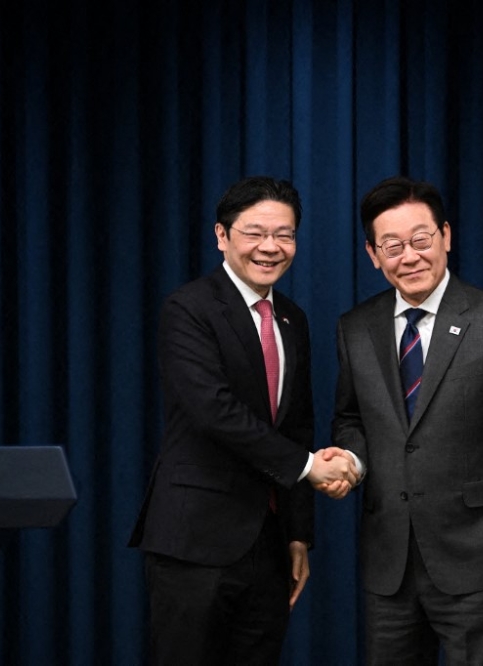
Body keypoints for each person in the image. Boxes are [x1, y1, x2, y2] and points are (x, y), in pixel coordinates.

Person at [129, 176, 357, 665]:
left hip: (269, 546)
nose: (270, 247)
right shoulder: (189, 308)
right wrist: (310, 468)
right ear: (222, 235)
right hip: (195, 541)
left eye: (285, 234)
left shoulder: (293, 319)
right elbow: (215, 411)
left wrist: (298, 534)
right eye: (254, 233)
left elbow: (296, 426)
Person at [332, 176, 483, 665]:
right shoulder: (355, 328)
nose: (408, 256)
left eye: (420, 240)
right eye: (391, 246)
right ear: (373, 254)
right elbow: (350, 418)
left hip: (475, 550)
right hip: (389, 555)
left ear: (446, 236)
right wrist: (349, 457)